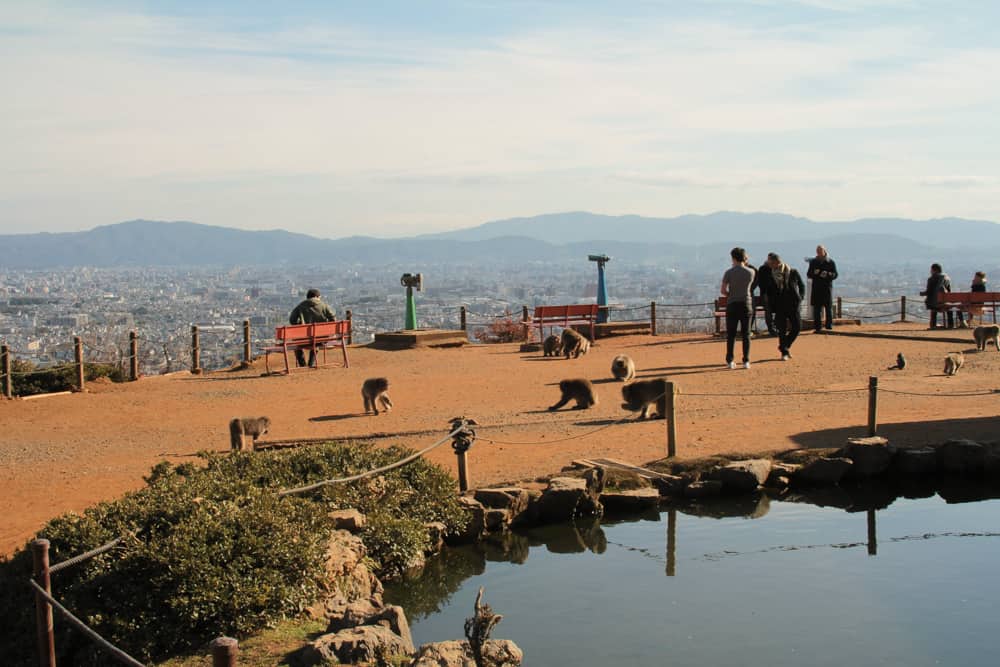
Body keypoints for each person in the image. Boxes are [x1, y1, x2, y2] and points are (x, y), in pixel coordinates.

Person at [721, 247, 756, 369]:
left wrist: (730, 294)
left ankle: (730, 360)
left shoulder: (728, 273)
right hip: (746, 304)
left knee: (731, 334)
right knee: (746, 334)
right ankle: (746, 360)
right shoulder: (751, 272)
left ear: (733, 258)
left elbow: (723, 291)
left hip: (732, 304)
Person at [765, 252, 805, 360]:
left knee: (797, 327)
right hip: (779, 306)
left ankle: (784, 346)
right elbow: (769, 291)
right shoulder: (771, 275)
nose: (770, 265)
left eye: (771, 263)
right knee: (781, 330)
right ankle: (784, 352)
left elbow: (802, 285)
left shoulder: (792, 272)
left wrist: (800, 297)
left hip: (793, 304)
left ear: (777, 262)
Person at [288, 288, 336, 367]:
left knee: (297, 343)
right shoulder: (323, 305)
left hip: (303, 339)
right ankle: (311, 363)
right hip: (321, 338)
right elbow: (333, 319)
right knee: (315, 341)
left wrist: (300, 324)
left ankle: (302, 364)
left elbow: (292, 320)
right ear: (317, 296)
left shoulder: (301, 305)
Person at [806, 245, 838, 332]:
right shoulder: (813, 262)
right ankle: (817, 327)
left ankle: (829, 326)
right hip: (816, 289)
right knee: (817, 309)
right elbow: (809, 274)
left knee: (828, 308)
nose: (819, 252)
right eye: (817, 251)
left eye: (820, 250)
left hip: (827, 289)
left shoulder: (831, 262)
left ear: (824, 251)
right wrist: (815, 273)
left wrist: (827, 274)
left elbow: (835, 275)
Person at [920, 264, 952, 329]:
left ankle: (933, 325)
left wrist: (921, 293)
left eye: (931, 270)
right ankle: (950, 324)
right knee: (948, 306)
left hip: (934, 304)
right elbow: (949, 291)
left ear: (935, 270)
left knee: (933, 305)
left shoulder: (931, 279)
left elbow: (928, 292)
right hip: (945, 302)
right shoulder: (947, 278)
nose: (930, 271)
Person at [752, 258, 778, 336]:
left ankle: (773, 328)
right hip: (767, 294)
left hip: (768, 294)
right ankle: (772, 329)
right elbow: (762, 283)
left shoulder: (764, 269)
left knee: (770, 312)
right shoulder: (765, 269)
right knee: (769, 312)